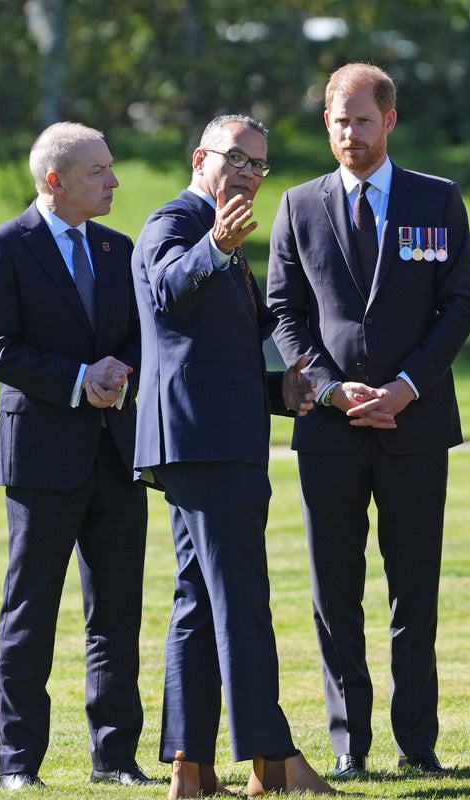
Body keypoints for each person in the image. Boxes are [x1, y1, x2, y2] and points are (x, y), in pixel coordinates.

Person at [265, 62, 470, 780]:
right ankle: (348, 746)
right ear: (325, 125)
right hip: (330, 430)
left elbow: (459, 306)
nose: (349, 133)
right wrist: (327, 388)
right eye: (337, 121)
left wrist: (409, 386)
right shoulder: (298, 206)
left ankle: (418, 744)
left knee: (413, 590)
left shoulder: (437, 200)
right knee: (335, 592)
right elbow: (284, 313)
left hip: (414, 428)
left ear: (389, 121)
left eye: (362, 120)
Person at [130, 113, 337, 798]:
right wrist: (215, 245)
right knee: (242, 599)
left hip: (211, 439)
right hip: (207, 446)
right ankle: (273, 764)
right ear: (200, 158)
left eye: (259, 166)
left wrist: (286, 389)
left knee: (197, 602)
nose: (248, 173)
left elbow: (216, 355)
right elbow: (164, 289)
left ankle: (191, 769)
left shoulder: (225, 240)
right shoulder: (178, 222)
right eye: (237, 159)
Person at [0, 122, 157, 790]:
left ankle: (115, 759)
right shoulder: (3, 247)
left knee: (117, 615)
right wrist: (81, 378)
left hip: (115, 454)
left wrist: (119, 372)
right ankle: (17, 765)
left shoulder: (117, 248)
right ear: (55, 179)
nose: (113, 181)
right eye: (98, 171)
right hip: (42, 459)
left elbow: (140, 335)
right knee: (31, 612)